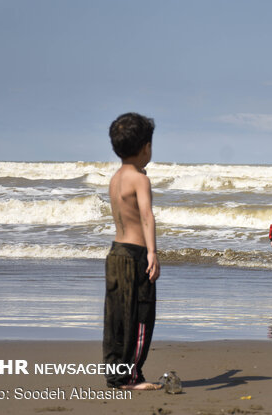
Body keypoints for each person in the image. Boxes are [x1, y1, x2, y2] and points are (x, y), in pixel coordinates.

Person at [103, 112, 161, 390]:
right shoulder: (140, 179)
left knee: (116, 318)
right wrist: (153, 253)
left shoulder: (116, 178)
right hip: (136, 254)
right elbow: (147, 216)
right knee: (140, 316)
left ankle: (116, 375)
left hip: (116, 253)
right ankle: (132, 377)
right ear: (145, 147)